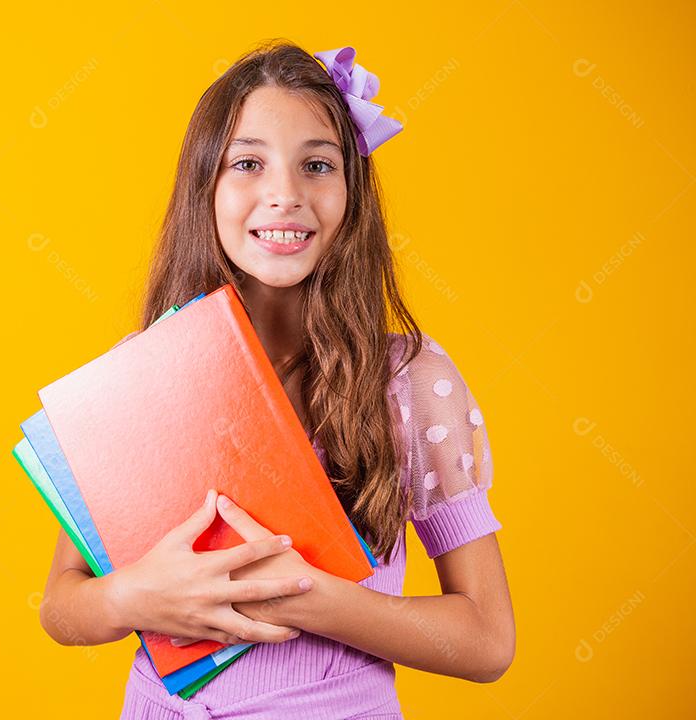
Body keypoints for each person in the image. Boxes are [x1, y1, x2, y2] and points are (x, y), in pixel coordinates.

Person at [37, 40, 515, 719]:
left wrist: (312, 596)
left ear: (353, 192)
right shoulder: (144, 367)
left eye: (317, 164)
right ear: (205, 185)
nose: (285, 194)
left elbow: (488, 641)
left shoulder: (408, 382)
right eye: (248, 163)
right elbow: (62, 602)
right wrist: (133, 598)